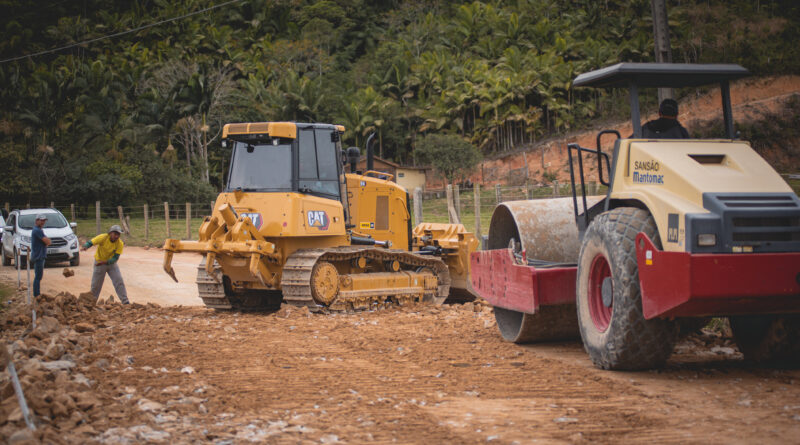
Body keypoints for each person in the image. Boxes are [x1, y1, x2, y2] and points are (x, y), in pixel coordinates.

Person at [81, 225, 130, 304]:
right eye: (115, 234)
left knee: (119, 281)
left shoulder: (120, 243)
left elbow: (115, 258)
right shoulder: (103, 237)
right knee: (96, 285)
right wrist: (85, 246)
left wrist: (106, 262)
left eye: (118, 234)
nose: (117, 236)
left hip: (111, 264)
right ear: (110, 233)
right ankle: (91, 304)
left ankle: (125, 302)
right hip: (99, 263)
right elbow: (92, 242)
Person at [31, 214, 51, 297]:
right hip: (38, 256)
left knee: (38, 276)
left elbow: (47, 241)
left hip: (39, 255)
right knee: (38, 276)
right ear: (37, 220)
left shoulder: (39, 230)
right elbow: (47, 242)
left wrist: (47, 241)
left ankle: (37, 293)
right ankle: (37, 294)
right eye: (41, 220)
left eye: (44, 221)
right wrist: (47, 241)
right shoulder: (37, 230)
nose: (43, 222)